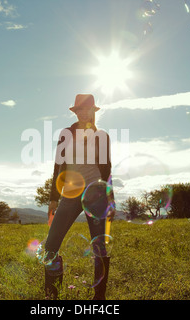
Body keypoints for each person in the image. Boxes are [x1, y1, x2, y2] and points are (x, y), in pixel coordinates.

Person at [42, 94, 115, 300]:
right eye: (79, 110)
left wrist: (110, 197)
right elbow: (58, 167)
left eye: (87, 109)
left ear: (94, 111)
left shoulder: (102, 136)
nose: (84, 113)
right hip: (71, 193)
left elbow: (107, 168)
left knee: (100, 247)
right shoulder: (66, 134)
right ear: (75, 112)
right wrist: (54, 198)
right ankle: (52, 295)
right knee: (51, 246)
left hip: (97, 193)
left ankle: (99, 297)